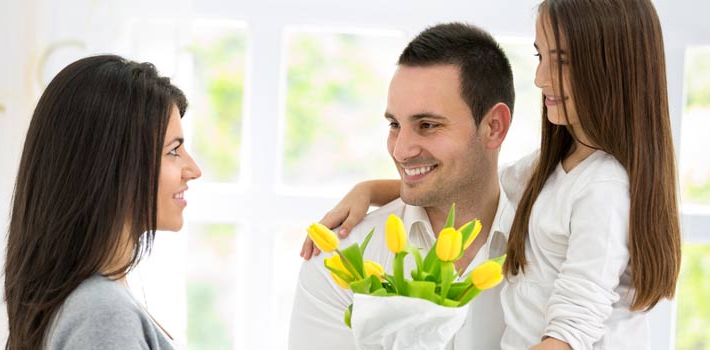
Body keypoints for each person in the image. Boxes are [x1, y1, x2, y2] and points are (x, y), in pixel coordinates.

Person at [305, 0, 682, 349]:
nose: (540, 78)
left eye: (562, 60)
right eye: (540, 56)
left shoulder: (602, 188)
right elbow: (471, 180)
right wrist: (368, 190)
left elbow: (572, 329)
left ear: (612, 65)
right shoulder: (552, 167)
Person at [289, 22, 516, 350]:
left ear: (494, 127)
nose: (400, 150)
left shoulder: (557, 243)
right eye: (395, 124)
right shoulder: (338, 260)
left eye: (427, 125)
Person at [3, 55, 202, 350]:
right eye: (173, 151)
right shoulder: (103, 312)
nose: (194, 171)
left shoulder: (88, 302)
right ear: (112, 166)